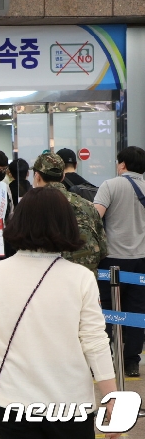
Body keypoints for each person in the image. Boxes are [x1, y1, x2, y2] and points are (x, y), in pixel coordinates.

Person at [0, 187, 118, 439]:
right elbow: (95, 341)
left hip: (14, 403)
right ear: (66, 225)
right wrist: (111, 399)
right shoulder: (81, 277)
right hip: (71, 403)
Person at [94, 146, 145, 377]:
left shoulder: (110, 185)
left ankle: (104, 361)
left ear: (122, 164)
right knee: (136, 311)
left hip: (112, 260)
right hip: (141, 260)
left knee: (106, 310)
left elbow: (96, 217)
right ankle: (132, 362)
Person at [31, 153, 107, 275]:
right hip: (86, 279)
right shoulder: (87, 205)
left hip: (49, 278)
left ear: (37, 176)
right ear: (62, 177)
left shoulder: (32, 206)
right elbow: (103, 250)